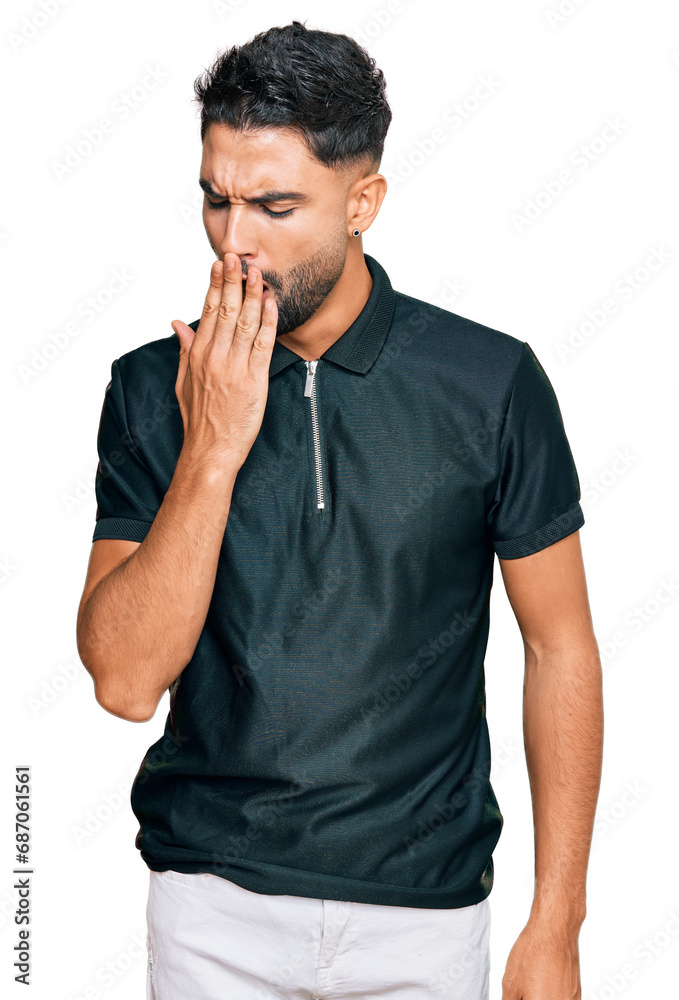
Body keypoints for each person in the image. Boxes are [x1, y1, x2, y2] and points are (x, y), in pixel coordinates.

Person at [76, 19, 603, 1000]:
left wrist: (557, 920)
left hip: (425, 914)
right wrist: (213, 447)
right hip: (210, 907)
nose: (236, 242)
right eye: (217, 199)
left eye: (275, 206)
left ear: (363, 201)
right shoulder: (155, 389)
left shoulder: (489, 382)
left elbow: (558, 646)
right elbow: (123, 679)